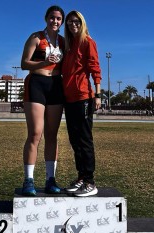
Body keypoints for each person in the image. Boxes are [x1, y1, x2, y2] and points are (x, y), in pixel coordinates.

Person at [20, 5, 65, 196]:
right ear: (46, 18)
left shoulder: (63, 42)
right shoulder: (36, 37)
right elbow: (24, 63)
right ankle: (28, 180)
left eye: (58, 19)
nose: (55, 21)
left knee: (52, 134)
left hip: (55, 85)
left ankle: (50, 179)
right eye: (52, 18)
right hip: (36, 83)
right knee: (35, 133)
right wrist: (45, 63)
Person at [62, 10, 102, 197]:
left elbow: (95, 68)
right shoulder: (69, 45)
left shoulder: (88, 41)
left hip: (84, 97)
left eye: (76, 21)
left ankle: (90, 182)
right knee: (74, 140)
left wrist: (98, 94)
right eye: (69, 22)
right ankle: (81, 178)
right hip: (69, 99)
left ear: (82, 22)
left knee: (85, 140)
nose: (73, 24)